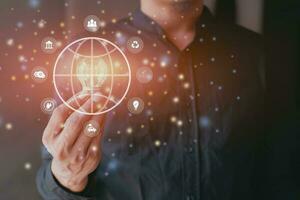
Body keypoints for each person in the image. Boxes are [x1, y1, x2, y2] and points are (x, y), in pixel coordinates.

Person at [37, 0, 265, 199]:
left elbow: (282, 172)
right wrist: (67, 177)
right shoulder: (87, 55)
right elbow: (52, 181)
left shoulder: (260, 56)